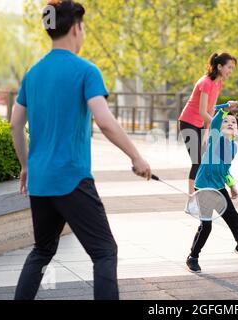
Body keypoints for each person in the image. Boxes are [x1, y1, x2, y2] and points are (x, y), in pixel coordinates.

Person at [10, 0, 151, 300]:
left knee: (42, 250)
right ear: (76, 28)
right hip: (72, 180)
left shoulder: (32, 73)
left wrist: (25, 165)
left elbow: (14, 125)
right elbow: (105, 121)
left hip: (41, 182)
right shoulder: (86, 70)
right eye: (83, 27)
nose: (83, 33)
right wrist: (136, 156)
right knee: (104, 252)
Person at [186, 107, 238, 273]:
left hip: (219, 188)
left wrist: (232, 184)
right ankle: (193, 256)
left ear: (237, 131)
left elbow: (225, 170)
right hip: (204, 186)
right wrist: (224, 111)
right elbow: (215, 123)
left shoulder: (233, 147)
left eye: (233, 122)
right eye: (226, 121)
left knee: (234, 218)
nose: (230, 123)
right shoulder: (216, 138)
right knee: (206, 226)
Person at [178, 52, 238, 194]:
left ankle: (204, 193)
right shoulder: (205, 83)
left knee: (207, 160)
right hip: (188, 122)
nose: (230, 71)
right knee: (198, 162)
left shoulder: (218, 83)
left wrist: (210, 129)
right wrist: (218, 126)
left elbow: (211, 110)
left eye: (232, 68)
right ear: (219, 66)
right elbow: (202, 112)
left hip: (200, 124)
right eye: (229, 67)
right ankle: (192, 198)